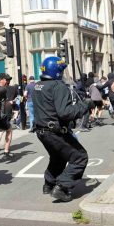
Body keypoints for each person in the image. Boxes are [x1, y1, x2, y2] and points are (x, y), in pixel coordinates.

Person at [33, 56, 91, 202]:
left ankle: (49, 184)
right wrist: (85, 105)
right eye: (62, 71)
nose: (64, 74)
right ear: (56, 71)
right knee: (79, 157)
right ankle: (62, 187)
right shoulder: (58, 86)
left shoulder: (37, 85)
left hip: (42, 131)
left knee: (58, 157)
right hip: (54, 131)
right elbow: (65, 113)